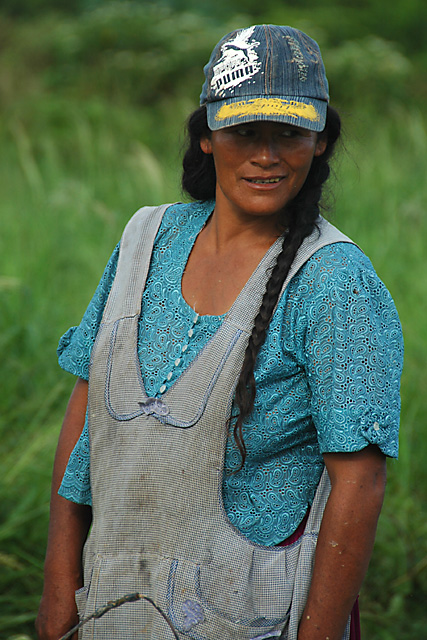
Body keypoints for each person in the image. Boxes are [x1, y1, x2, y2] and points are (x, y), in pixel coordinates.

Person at [36, 24, 403, 640]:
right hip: (114, 604)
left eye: (289, 133)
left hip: (252, 613)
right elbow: (87, 409)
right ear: (206, 137)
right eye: (243, 133)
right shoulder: (147, 240)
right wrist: (57, 588)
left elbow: (359, 480)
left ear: (320, 143)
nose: (267, 155)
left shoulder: (334, 281)